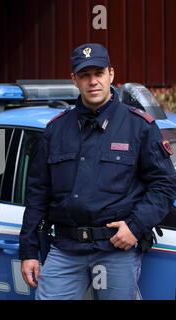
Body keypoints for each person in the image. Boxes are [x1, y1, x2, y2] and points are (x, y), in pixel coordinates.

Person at [19, 43, 176, 300]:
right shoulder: (56, 131)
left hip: (115, 249)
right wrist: (28, 251)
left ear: (111, 74)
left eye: (98, 73)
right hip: (65, 249)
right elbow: (38, 194)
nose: (93, 81)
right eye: (85, 75)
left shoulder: (139, 127)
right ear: (75, 80)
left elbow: (164, 185)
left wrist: (135, 227)